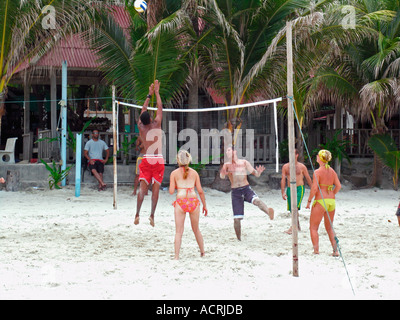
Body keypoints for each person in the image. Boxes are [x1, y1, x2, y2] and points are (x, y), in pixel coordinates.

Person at [220, 145, 274, 241]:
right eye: (226, 151)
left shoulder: (244, 162)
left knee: (257, 201)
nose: (227, 152)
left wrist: (259, 172)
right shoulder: (227, 165)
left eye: (228, 150)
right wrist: (223, 173)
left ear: (234, 151)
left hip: (246, 189)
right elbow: (222, 177)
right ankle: (239, 239)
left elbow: (255, 174)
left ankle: (269, 212)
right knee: (237, 219)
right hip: (235, 192)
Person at [135, 80, 164, 227]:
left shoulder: (141, 127)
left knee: (142, 189)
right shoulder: (156, 124)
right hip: (157, 159)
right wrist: (156, 92)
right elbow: (159, 107)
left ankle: (137, 214)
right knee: (156, 189)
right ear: (151, 119)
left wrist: (148, 94)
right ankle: (152, 215)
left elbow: (143, 110)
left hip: (146, 158)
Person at [169, 150, 207, 260]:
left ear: (178, 160)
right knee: (196, 229)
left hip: (181, 202)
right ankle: (203, 252)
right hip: (193, 201)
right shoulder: (194, 173)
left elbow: (171, 191)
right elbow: (200, 191)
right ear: (189, 159)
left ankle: (176, 256)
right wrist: (204, 205)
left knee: (178, 232)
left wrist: (177, 186)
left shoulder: (174, 173)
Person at [306, 149, 341, 256]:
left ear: (320, 158)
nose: (316, 156)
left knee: (313, 227)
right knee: (330, 227)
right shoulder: (332, 171)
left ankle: (316, 250)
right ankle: (335, 251)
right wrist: (332, 194)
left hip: (321, 200)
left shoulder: (317, 172)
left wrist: (309, 201)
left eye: (317, 155)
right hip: (331, 201)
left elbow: (315, 188)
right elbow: (338, 186)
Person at [281, 148, 312, 234]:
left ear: (297, 155)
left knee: (295, 208)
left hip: (299, 188)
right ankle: (297, 226)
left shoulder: (302, 166)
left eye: (293, 154)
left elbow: (308, 178)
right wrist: (283, 191)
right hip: (289, 188)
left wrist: (313, 189)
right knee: (292, 209)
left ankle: (292, 227)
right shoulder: (285, 166)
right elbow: (283, 179)